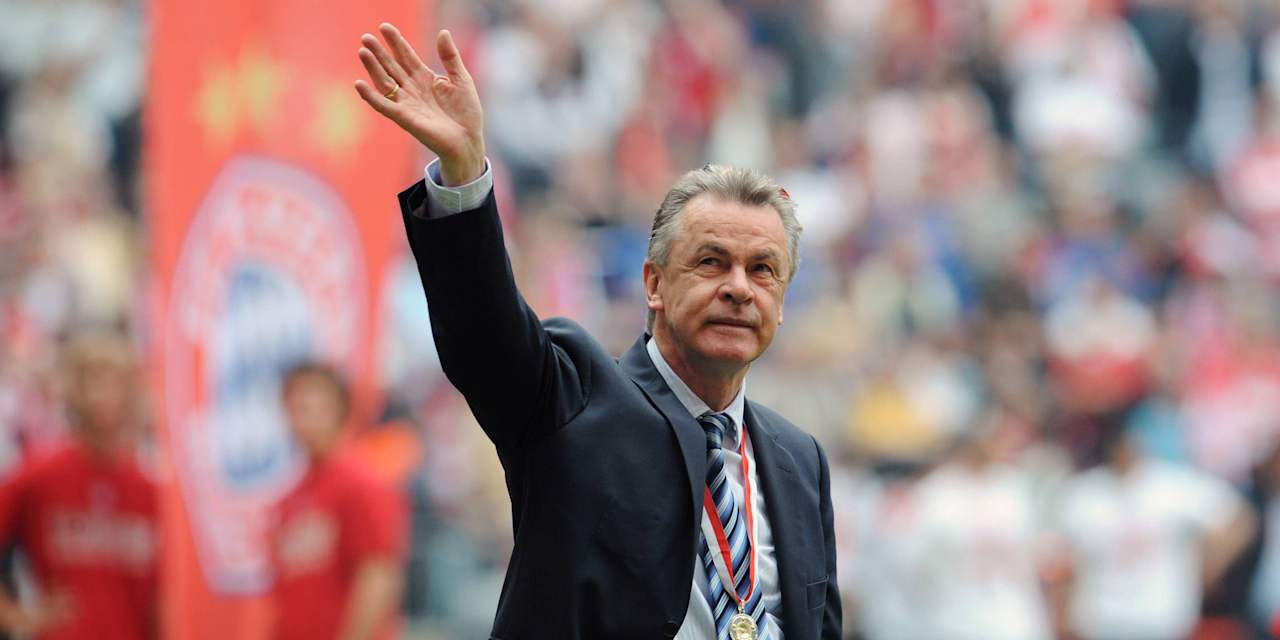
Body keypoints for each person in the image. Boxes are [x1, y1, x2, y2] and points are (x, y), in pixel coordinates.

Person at [353, 22, 841, 640]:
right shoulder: (575, 397)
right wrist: (463, 171)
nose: (739, 287)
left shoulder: (800, 461)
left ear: (781, 299)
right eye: (712, 261)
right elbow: (484, 336)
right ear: (655, 284)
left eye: (763, 270)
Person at [0, 331, 157, 640]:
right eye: (93, 381)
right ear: (73, 390)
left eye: (116, 382)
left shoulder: (151, 488)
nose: (105, 395)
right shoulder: (39, 473)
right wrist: (17, 617)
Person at [1051, 415, 1256, 640]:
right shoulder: (1085, 493)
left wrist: (1207, 567)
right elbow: (1061, 560)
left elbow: (1238, 520)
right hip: (1101, 621)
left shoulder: (1170, 485)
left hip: (1161, 621)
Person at [270, 363, 408, 640]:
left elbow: (378, 576)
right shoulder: (293, 492)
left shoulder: (363, 483)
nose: (304, 420)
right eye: (296, 407)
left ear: (340, 411)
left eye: (315, 408)